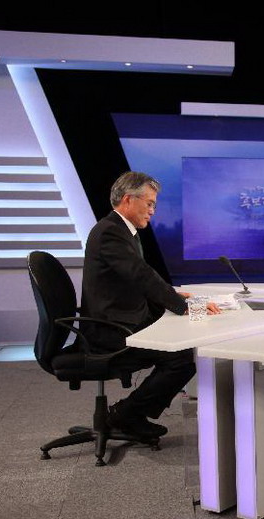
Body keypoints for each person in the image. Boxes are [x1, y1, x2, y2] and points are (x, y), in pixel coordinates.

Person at [80, 171, 220, 439]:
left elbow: (138, 275)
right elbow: (140, 275)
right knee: (181, 357)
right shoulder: (111, 231)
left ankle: (129, 413)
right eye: (150, 203)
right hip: (111, 330)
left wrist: (177, 295)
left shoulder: (120, 230)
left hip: (121, 319)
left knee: (181, 349)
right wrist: (182, 305)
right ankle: (125, 415)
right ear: (129, 200)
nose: (153, 211)